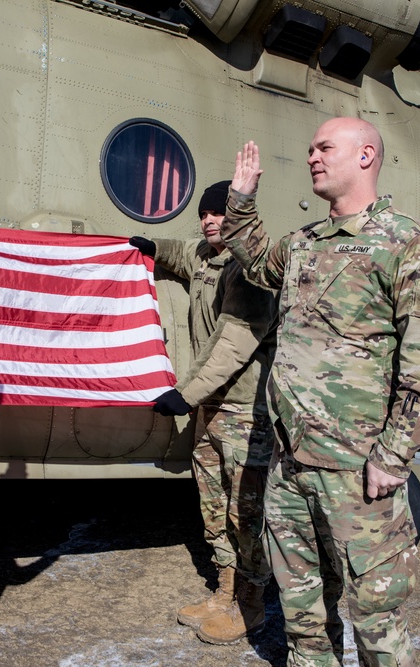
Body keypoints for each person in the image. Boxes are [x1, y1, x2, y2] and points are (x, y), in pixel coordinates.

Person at [220, 121, 420, 665]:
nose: (312, 157)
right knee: (304, 617)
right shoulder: (305, 244)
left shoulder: (411, 244)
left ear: (366, 155)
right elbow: (257, 260)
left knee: (376, 617)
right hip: (290, 467)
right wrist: (241, 201)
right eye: (309, 148)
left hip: (358, 471)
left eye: (325, 148)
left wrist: (394, 455)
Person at [129, 181, 278, 645]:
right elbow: (181, 254)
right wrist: (153, 246)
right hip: (211, 409)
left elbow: (234, 343)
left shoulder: (253, 272)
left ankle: (252, 606)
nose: (211, 220)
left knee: (245, 513)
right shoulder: (205, 255)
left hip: (244, 412)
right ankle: (226, 590)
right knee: (214, 508)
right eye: (205, 214)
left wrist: (184, 393)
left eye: (220, 213)